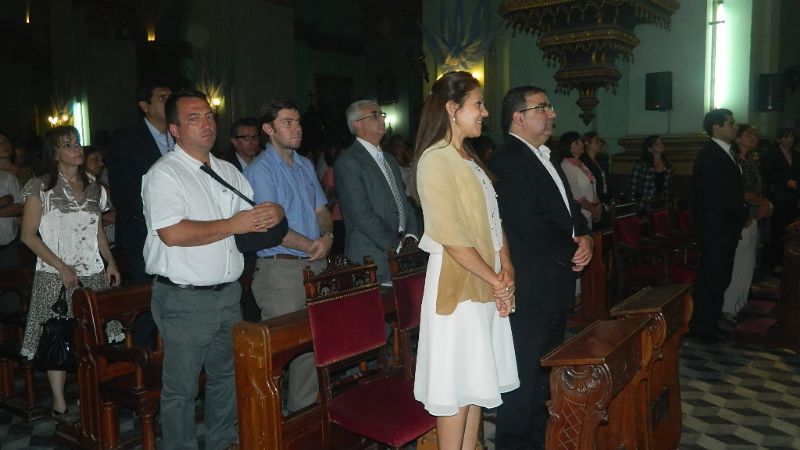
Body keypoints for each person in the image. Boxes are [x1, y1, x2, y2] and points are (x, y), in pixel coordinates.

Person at [142, 90, 285, 450]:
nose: (206, 124)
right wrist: (232, 224)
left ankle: (222, 442)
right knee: (182, 389)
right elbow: (173, 233)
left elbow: (250, 222)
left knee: (225, 378)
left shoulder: (226, 171)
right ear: (174, 129)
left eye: (208, 116)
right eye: (194, 118)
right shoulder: (164, 174)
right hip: (185, 298)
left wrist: (274, 215)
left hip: (227, 294)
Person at [411, 71, 518, 450]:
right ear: (452, 109)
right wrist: (496, 279)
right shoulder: (434, 160)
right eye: (477, 104)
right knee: (455, 386)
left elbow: (494, 222)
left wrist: (507, 272)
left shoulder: (468, 159)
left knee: (475, 383)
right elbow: (453, 238)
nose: (485, 112)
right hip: (458, 285)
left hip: (485, 281)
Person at [489, 85, 593, 450]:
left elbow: (570, 212)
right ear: (518, 117)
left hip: (552, 284)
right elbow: (528, 225)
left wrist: (585, 237)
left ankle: (535, 442)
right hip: (531, 288)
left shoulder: (545, 157)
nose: (552, 113)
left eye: (549, 107)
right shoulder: (508, 162)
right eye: (542, 108)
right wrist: (570, 246)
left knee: (543, 377)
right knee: (521, 380)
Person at [19, 125, 122, 417]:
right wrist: (62, 267)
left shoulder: (94, 186)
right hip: (55, 273)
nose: (77, 149)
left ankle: (90, 392)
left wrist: (110, 261)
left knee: (92, 337)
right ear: (54, 154)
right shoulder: (40, 187)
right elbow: (28, 235)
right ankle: (59, 401)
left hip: (91, 272)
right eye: (68, 145)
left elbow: (98, 229)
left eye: (77, 143)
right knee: (57, 335)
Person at [243, 99, 333, 413]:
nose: (296, 128)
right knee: (281, 350)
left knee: (310, 347)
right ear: (268, 129)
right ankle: (270, 422)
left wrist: (328, 236)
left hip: (313, 263)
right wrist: (313, 246)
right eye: (287, 123)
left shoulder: (306, 164)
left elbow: (322, 209)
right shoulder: (261, 170)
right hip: (281, 271)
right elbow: (274, 228)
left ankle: (302, 418)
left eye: (297, 122)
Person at [108, 80, 171, 350]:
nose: (170, 101)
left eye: (172, 96)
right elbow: (124, 192)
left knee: (173, 297)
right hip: (142, 232)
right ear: (145, 106)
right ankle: (143, 358)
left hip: (178, 233)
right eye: (162, 97)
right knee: (148, 298)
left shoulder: (180, 136)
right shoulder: (127, 140)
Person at [334, 100, 419, 282]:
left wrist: (411, 236)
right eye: (374, 115)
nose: (381, 119)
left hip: (402, 255)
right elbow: (362, 214)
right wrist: (397, 245)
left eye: (381, 114)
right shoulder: (348, 162)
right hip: (372, 257)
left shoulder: (388, 159)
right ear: (357, 125)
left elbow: (403, 201)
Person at [691, 109, 748, 341]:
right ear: (716, 127)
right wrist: (742, 211)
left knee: (720, 276)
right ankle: (702, 327)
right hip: (715, 228)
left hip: (724, 227)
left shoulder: (724, 152)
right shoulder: (711, 154)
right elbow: (716, 195)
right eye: (730, 123)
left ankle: (710, 321)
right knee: (712, 277)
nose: (735, 127)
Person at [722, 124, 772, 320]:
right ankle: (728, 308)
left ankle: (740, 305)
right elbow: (742, 193)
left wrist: (764, 204)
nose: (754, 137)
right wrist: (763, 203)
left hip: (752, 218)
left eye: (755, 134)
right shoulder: (734, 162)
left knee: (747, 265)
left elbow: (758, 191)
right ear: (738, 138)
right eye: (749, 134)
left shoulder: (751, 161)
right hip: (738, 219)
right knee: (736, 265)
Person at [762, 128, 800, 272]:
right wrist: (786, 181)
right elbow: (769, 174)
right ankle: (775, 262)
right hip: (778, 197)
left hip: (793, 197)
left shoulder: (796, 154)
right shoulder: (772, 154)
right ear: (779, 139)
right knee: (777, 230)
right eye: (785, 137)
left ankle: (789, 260)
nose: (789, 140)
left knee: (791, 230)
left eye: (791, 137)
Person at [559, 131, 601, 228]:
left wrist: (598, 205)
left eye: (581, 142)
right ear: (569, 148)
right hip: (579, 213)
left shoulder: (581, 164)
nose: (582, 144)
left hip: (589, 211)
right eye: (577, 143)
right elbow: (576, 196)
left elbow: (592, 183)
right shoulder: (566, 166)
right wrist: (593, 210)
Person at [628, 135, 673, 211]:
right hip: (644, 204)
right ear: (649, 149)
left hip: (662, 204)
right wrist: (635, 204)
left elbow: (669, 187)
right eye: (656, 144)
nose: (661, 145)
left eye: (661, 143)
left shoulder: (667, 164)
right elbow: (633, 186)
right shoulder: (642, 165)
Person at [580, 131, 611, 205]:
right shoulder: (583, 162)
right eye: (597, 141)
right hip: (592, 198)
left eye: (600, 141)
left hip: (604, 197)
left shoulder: (601, 160)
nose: (600, 143)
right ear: (587, 143)